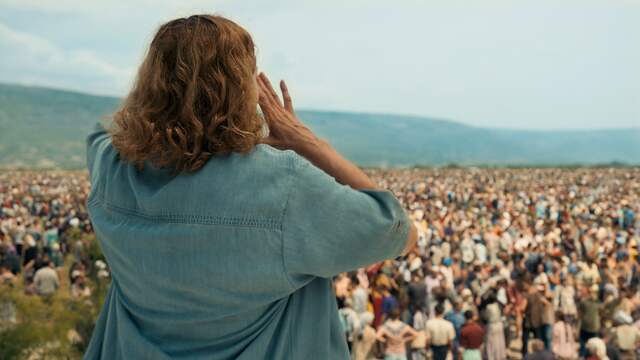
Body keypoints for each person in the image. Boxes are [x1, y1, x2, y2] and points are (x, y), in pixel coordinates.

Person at [83, 14, 418, 359]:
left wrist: (161, 97)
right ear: (243, 90)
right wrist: (307, 143)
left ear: (149, 86)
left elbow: (102, 132)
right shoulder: (283, 186)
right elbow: (399, 231)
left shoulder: (114, 170)